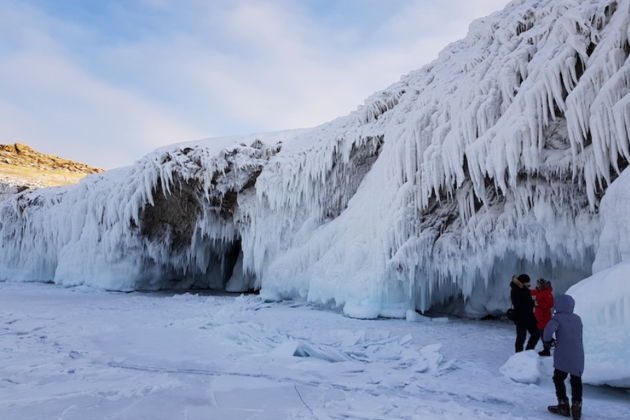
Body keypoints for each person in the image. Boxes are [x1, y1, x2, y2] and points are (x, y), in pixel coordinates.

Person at [543, 294, 584, 420]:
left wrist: (548, 341)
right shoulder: (577, 319)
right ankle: (577, 406)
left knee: (558, 378)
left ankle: (563, 405)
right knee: (576, 380)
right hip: (578, 354)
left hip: (563, 354)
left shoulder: (557, 319)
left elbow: (547, 332)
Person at [510, 274, 539, 352]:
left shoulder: (524, 288)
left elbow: (526, 300)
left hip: (529, 316)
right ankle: (519, 355)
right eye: (527, 282)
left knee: (536, 333)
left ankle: (528, 351)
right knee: (521, 337)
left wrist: (532, 303)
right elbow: (518, 304)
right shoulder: (515, 290)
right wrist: (532, 303)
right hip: (521, 317)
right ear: (523, 282)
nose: (529, 284)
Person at [531, 278, 554, 356]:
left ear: (542, 285)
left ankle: (548, 348)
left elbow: (550, 304)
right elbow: (532, 292)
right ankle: (548, 347)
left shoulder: (547, 293)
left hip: (544, 318)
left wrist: (538, 304)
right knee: (543, 335)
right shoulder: (538, 291)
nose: (537, 285)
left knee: (544, 335)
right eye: (537, 284)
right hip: (539, 317)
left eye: (538, 284)